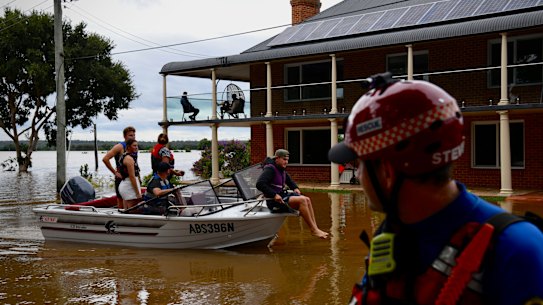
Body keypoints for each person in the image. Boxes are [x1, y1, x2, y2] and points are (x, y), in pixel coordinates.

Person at [328, 73, 543, 304]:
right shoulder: (392, 233)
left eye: (360, 163)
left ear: (387, 172)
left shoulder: (516, 248)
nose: (358, 174)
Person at [256, 149, 329, 239]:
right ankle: (313, 230)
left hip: (282, 196)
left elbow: (289, 181)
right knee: (302, 200)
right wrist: (274, 195)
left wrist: (295, 188)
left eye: (287, 160)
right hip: (274, 202)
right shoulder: (270, 169)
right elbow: (260, 184)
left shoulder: (281, 169)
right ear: (277, 158)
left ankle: (316, 228)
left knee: (307, 199)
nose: (286, 162)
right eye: (284, 159)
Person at [102, 126, 136, 208]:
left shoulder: (134, 146)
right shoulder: (120, 146)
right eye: (130, 135)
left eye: (134, 135)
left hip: (131, 177)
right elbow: (105, 159)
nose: (133, 137)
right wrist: (115, 172)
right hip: (121, 178)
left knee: (132, 201)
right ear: (125, 136)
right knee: (121, 201)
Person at [118, 138, 142, 209]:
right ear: (128, 146)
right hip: (129, 186)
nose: (136, 147)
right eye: (134, 145)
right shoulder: (129, 159)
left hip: (126, 183)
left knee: (127, 209)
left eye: (137, 145)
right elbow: (132, 176)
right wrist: (137, 193)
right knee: (132, 210)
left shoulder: (123, 156)